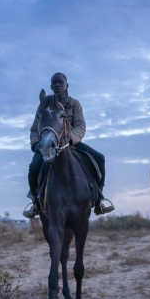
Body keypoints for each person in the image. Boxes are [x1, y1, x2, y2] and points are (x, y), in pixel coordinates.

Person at [23, 73, 114, 218]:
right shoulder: (44, 105)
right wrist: (36, 144)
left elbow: (80, 125)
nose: (57, 85)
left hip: (71, 143)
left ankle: (100, 199)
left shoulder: (74, 104)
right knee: (34, 167)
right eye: (54, 83)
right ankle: (35, 202)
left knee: (99, 158)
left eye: (60, 82)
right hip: (48, 145)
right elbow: (35, 128)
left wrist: (70, 139)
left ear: (67, 85)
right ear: (51, 86)